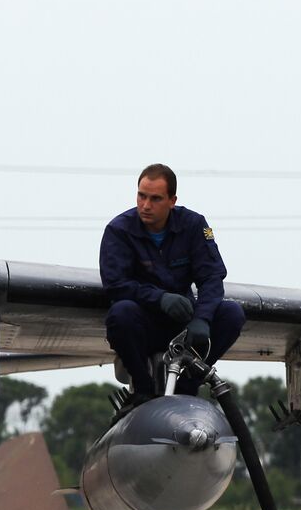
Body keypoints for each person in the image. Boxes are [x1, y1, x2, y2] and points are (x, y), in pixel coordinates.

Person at [100, 163, 245, 405]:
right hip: (144, 324)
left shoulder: (194, 225)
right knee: (121, 313)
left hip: (183, 325)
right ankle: (142, 390)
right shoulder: (119, 230)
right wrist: (159, 298)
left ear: (172, 201)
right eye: (141, 196)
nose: (146, 205)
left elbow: (212, 277)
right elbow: (115, 285)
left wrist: (203, 318)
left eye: (155, 198)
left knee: (232, 313)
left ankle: (189, 385)